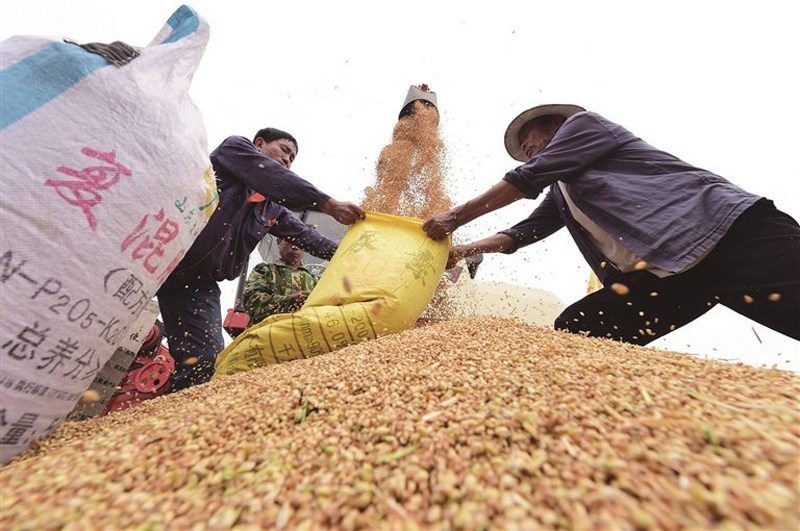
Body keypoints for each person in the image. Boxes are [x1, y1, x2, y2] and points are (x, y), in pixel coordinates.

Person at [423, 104, 800, 346]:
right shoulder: (564, 190)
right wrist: (463, 251)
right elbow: (524, 232)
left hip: (728, 233)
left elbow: (528, 177)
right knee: (581, 328)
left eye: (530, 139)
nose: (528, 149)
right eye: (523, 148)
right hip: (672, 276)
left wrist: (454, 218)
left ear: (557, 125)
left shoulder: (586, 126)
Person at [158, 127, 364, 391]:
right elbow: (267, 174)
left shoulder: (271, 209)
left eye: (292, 158)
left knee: (204, 362)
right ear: (259, 143)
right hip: (160, 256)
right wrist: (326, 203)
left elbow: (309, 238)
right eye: (284, 150)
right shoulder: (234, 151)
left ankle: (173, 420)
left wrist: (356, 256)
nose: (288, 160)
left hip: (197, 284)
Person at [242, 238, 319, 324]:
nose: (295, 247)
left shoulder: (315, 281)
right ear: (279, 243)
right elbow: (252, 303)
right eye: (290, 241)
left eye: (300, 242)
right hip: (268, 332)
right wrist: (290, 301)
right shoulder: (265, 270)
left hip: (303, 333)